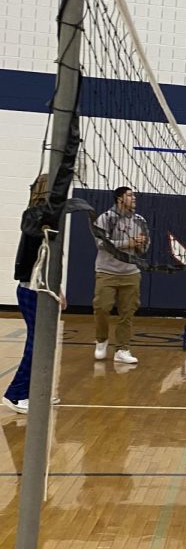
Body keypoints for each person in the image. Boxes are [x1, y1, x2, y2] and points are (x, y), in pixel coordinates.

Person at [3, 175, 66, 414]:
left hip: (44, 288)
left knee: (45, 342)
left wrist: (57, 288)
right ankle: (16, 394)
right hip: (31, 289)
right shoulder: (34, 215)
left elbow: (48, 257)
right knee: (36, 341)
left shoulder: (47, 216)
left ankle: (37, 392)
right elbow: (33, 246)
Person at [93, 186, 149, 366]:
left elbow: (145, 248)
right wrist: (129, 243)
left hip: (131, 273)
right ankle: (101, 340)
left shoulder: (140, 220)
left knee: (127, 313)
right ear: (119, 198)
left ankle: (122, 349)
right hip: (106, 271)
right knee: (102, 307)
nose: (134, 198)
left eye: (134, 195)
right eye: (130, 195)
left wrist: (140, 244)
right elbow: (101, 243)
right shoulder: (106, 218)